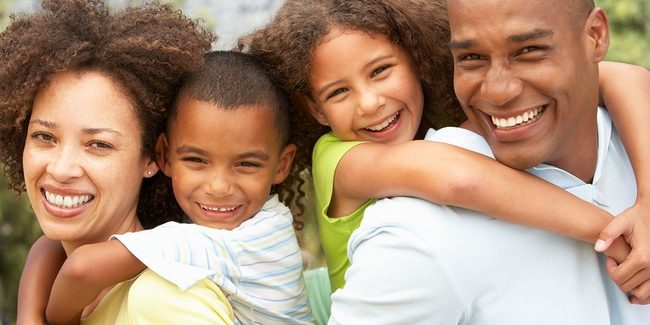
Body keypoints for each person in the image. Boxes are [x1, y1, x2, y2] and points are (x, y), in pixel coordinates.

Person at [239, 0, 650, 296]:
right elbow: (462, 180)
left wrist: (647, 204)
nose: (369, 103)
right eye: (339, 91)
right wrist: (612, 233)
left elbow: (622, 76)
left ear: (417, 61)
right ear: (316, 108)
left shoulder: (452, 114)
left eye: (380, 71)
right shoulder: (339, 160)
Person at [0, 0, 228, 323]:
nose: (62, 169)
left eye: (98, 144)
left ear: (151, 157)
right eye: (44, 137)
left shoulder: (161, 301)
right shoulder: (57, 282)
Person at [45, 50, 313, 325]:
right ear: (163, 155)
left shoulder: (245, 242)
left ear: (282, 165)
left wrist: (49, 320)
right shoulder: (244, 222)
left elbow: (80, 270)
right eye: (196, 160)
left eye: (246, 165)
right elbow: (49, 247)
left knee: (158, 291)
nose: (219, 187)